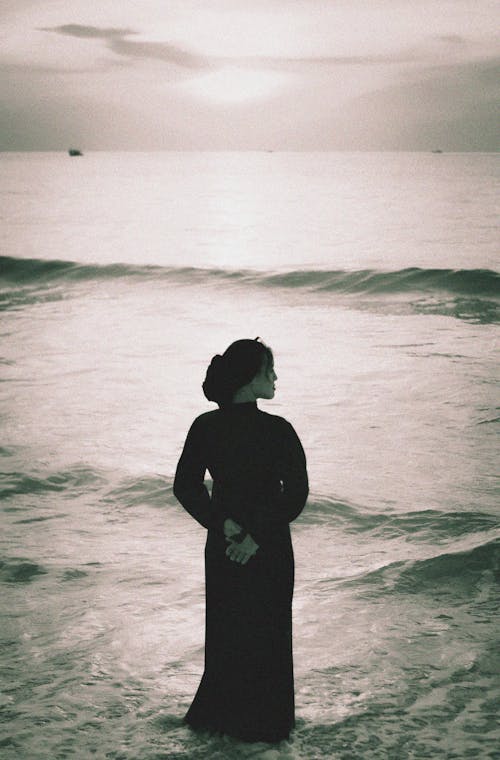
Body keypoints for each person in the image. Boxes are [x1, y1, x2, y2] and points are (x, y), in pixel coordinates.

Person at [173, 337, 309, 743]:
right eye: (269, 370)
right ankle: (269, 732)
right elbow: (295, 495)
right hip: (270, 549)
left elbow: (186, 487)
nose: (275, 377)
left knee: (227, 635)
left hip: (223, 547)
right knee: (269, 635)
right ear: (252, 379)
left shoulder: (205, 426)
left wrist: (223, 526)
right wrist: (257, 538)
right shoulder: (279, 429)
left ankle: (220, 727)